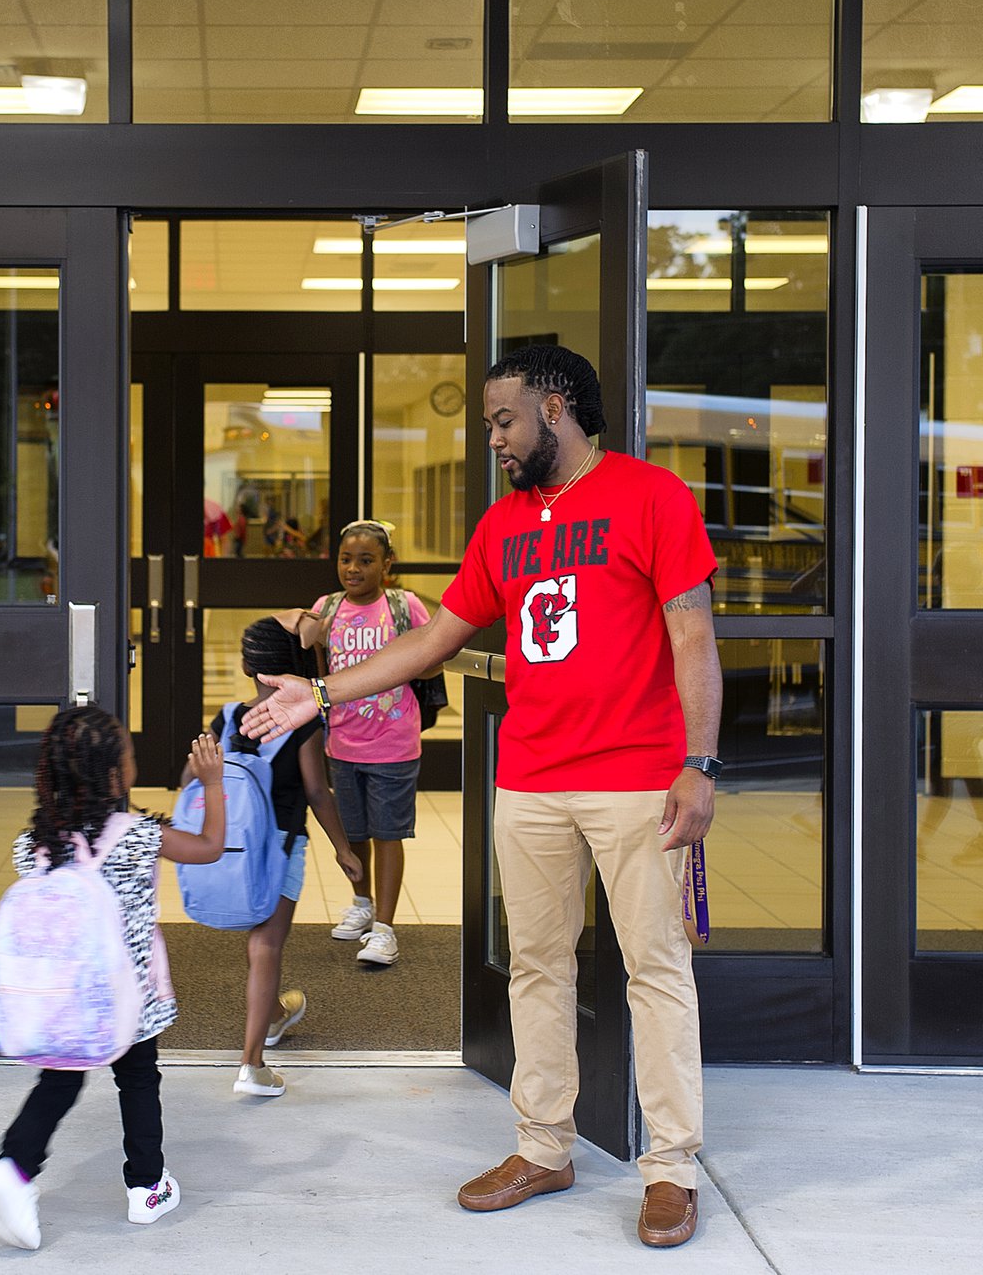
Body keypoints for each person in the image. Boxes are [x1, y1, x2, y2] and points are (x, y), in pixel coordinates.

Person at [242, 344, 722, 1249]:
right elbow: (432, 643)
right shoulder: (504, 525)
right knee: (539, 966)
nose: (493, 439)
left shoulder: (651, 497)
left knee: (655, 970)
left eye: (503, 420)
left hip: (637, 778)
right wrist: (324, 691)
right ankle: (543, 1147)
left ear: (555, 406)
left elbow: (692, 636)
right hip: (532, 779)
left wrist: (701, 763)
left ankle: (672, 1170)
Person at [0, 709, 229, 1251]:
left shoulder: (32, 845)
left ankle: (14, 1166)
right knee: (138, 1082)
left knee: (58, 1083)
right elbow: (208, 847)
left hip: (63, 1000)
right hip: (127, 999)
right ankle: (146, 1187)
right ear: (115, 775)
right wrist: (212, 783)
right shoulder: (139, 835)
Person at [187, 613, 364, 1098]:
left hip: (234, 851)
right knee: (266, 946)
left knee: (257, 946)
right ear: (288, 670)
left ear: (247, 667)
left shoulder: (225, 719)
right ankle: (252, 1064)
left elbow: (190, 780)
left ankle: (277, 1015)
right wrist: (343, 850)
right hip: (281, 850)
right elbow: (317, 792)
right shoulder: (301, 724)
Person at [297, 518, 434, 968]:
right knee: (354, 832)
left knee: (387, 833)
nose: (353, 568)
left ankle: (386, 930)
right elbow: (322, 672)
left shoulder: (404, 606)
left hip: (394, 742)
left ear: (387, 563)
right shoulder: (328, 606)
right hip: (344, 742)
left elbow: (433, 656)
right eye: (345, 559)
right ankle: (362, 904)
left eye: (366, 560)